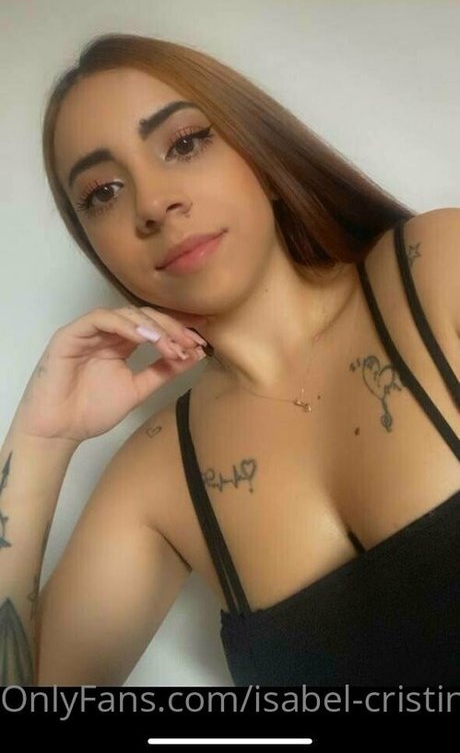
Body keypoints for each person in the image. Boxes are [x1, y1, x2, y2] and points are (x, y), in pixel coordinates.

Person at [0, 33, 458, 687]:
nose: (152, 204)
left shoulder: (436, 270)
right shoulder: (158, 479)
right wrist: (39, 442)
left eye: (185, 143)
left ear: (261, 156)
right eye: (103, 192)